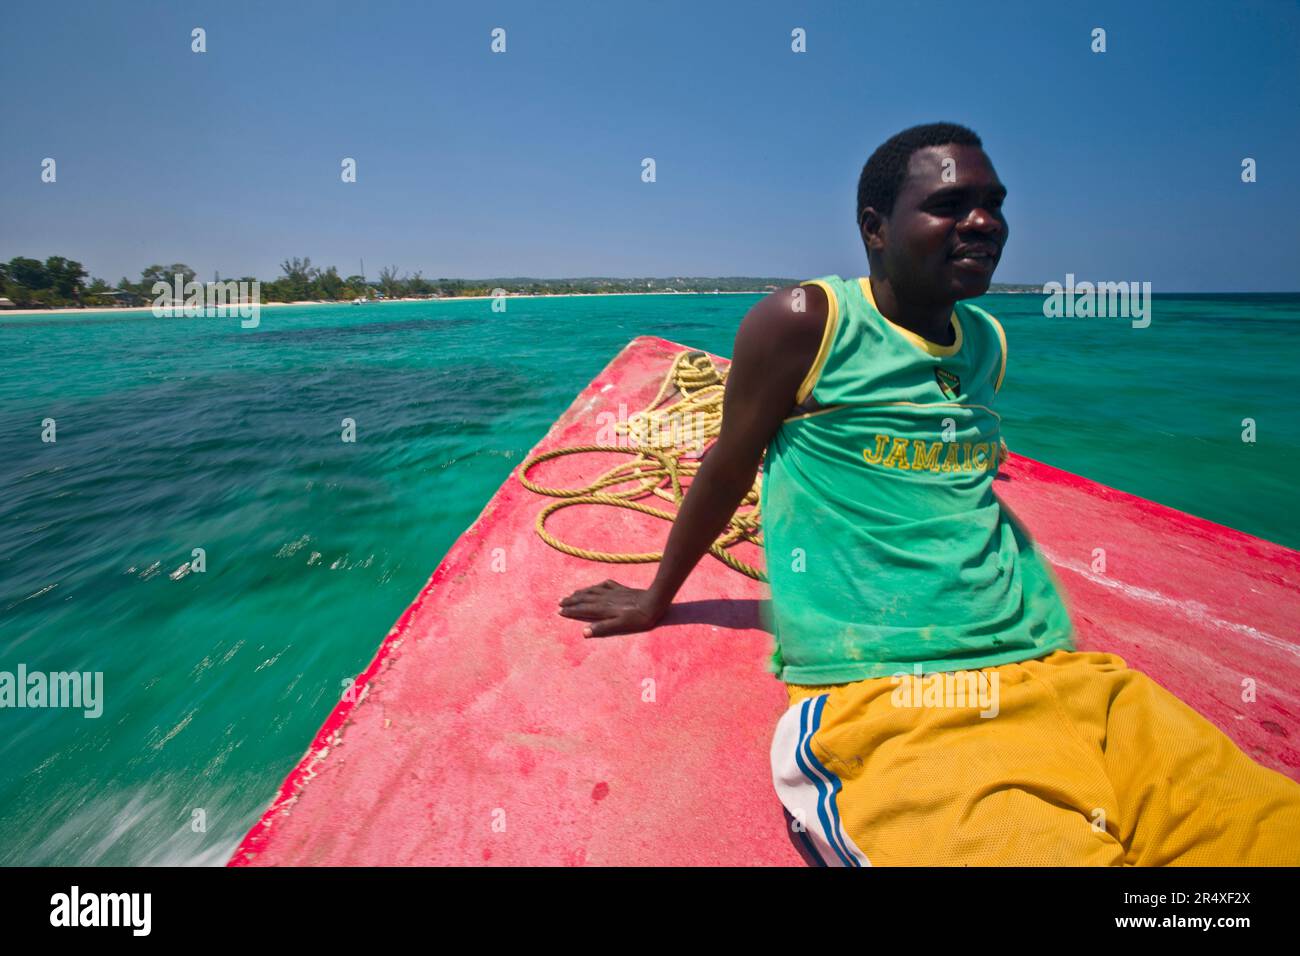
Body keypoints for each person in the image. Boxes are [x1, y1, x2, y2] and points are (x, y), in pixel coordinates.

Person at [558, 122, 1300, 866]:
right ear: (875, 229)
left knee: (1261, 828)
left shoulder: (986, 344)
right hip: (888, 690)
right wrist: (657, 598)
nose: (984, 222)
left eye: (993, 204)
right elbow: (728, 464)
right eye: (950, 204)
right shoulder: (806, 325)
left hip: (1060, 671)